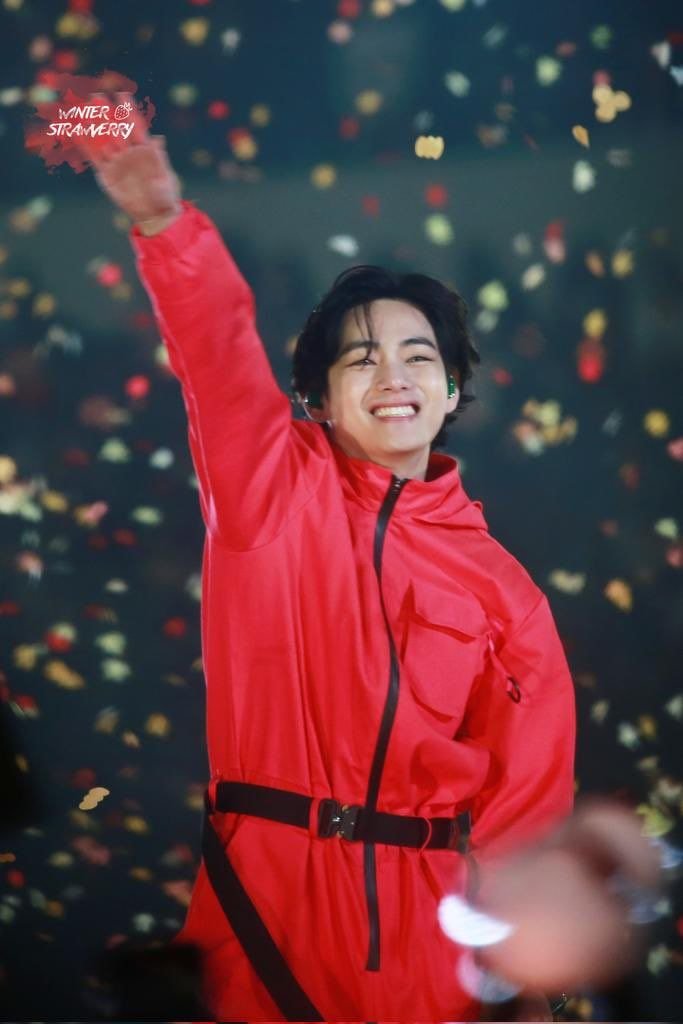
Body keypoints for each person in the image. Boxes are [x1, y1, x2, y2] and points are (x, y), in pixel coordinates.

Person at [83, 130, 654, 1022]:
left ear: (452, 392)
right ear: (315, 398)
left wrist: (524, 995)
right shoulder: (269, 493)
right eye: (360, 357)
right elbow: (217, 356)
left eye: (419, 357)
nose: (393, 375)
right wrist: (164, 223)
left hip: (432, 943)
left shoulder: (505, 591)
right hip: (264, 914)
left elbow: (525, 817)